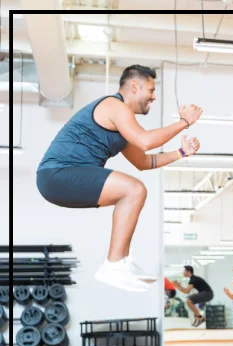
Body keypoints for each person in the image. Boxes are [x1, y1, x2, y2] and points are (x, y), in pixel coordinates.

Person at [36, 65, 203, 292]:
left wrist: (181, 153)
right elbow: (145, 140)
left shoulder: (124, 126)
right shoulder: (114, 106)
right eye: (151, 90)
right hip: (57, 174)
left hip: (61, 180)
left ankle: (120, 263)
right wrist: (185, 122)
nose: (154, 97)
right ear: (134, 86)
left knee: (132, 192)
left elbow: (145, 162)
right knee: (134, 190)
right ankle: (113, 265)